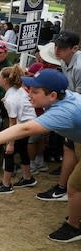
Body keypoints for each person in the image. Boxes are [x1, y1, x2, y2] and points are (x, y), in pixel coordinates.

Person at [0, 69, 81, 243]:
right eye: (29, 88)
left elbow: (25, 128)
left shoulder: (62, 111)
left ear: (53, 95)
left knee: (75, 187)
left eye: (35, 91)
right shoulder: (63, 96)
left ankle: (74, 226)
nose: (28, 93)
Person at [36, 31, 81, 202]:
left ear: (74, 48)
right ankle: (63, 186)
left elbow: (77, 98)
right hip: (74, 107)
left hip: (77, 110)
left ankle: (65, 187)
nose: (57, 49)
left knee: (71, 148)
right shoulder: (64, 61)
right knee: (69, 147)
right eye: (56, 45)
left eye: (62, 47)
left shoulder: (79, 66)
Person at [0, 65, 37, 194]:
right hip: (31, 124)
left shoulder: (11, 99)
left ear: (5, 80)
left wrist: (10, 143)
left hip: (24, 126)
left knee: (8, 152)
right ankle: (27, 178)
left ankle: (6, 185)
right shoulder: (18, 91)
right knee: (22, 149)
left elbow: (13, 124)